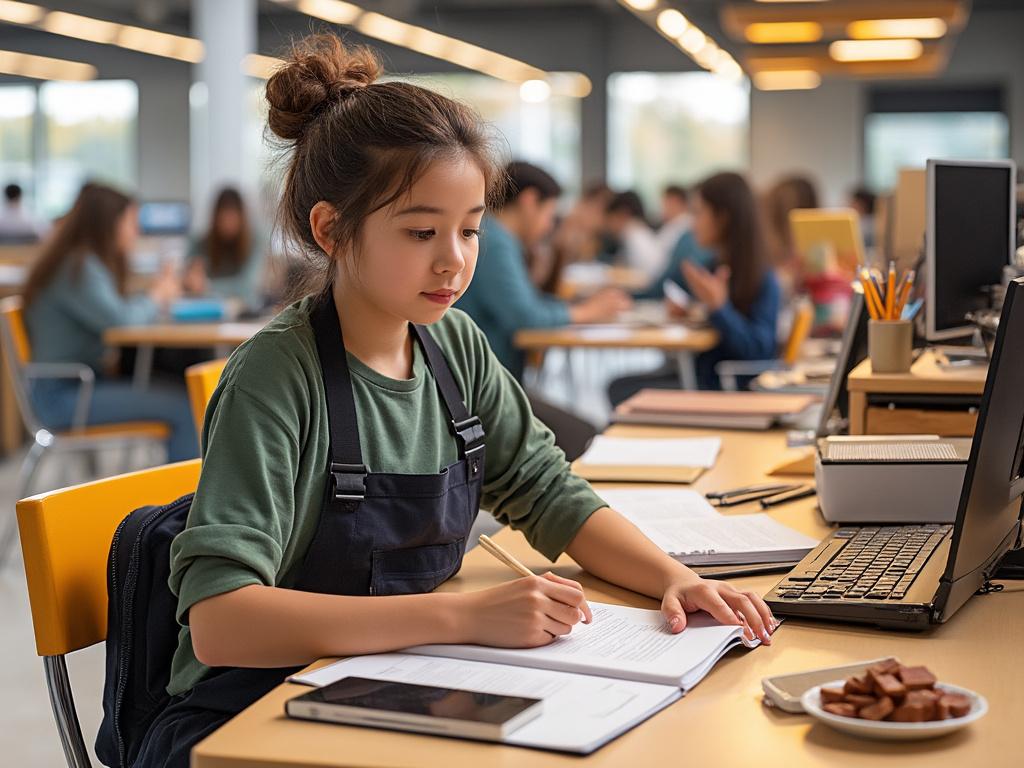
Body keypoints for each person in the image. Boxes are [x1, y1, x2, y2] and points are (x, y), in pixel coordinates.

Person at [132, 34, 776, 768]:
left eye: (471, 229)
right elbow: (220, 622)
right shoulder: (277, 377)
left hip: (396, 681)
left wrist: (677, 580)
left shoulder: (454, 347)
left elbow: (547, 491)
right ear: (330, 229)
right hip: (252, 713)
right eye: (420, 231)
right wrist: (460, 616)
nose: (454, 259)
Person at [22, 183, 198, 461]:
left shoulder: (78, 262)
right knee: (187, 405)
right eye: (131, 222)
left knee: (179, 388)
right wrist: (157, 296)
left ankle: (177, 496)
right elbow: (122, 322)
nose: (136, 231)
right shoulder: (78, 269)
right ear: (109, 223)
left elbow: (117, 312)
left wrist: (152, 297)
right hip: (64, 397)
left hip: (75, 385)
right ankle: (183, 504)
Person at [609, 172, 781, 400]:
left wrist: (719, 309)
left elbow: (759, 351)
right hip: (702, 377)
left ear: (723, 217)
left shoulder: (762, 276)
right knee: (619, 387)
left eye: (698, 213)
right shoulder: (715, 264)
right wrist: (694, 310)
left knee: (622, 391)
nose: (692, 223)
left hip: (723, 388)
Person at [457, 161, 631, 379]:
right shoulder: (496, 243)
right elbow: (526, 316)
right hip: (483, 383)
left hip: (489, 376)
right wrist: (585, 312)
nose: (549, 225)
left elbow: (529, 305)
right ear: (529, 201)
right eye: (549, 213)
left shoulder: (499, 238)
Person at [184, 186, 266, 312]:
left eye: (232, 218)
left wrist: (207, 286)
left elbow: (248, 286)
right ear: (215, 218)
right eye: (223, 218)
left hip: (245, 312)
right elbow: (186, 281)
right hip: (207, 311)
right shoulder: (200, 243)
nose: (228, 224)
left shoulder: (255, 241)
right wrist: (190, 280)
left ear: (242, 218)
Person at [604, 190, 663, 279]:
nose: (609, 226)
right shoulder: (639, 232)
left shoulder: (633, 235)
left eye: (610, 219)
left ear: (622, 214)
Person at [654, 183, 692, 258]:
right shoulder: (672, 224)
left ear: (674, 201)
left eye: (665, 202)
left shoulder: (684, 225)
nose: (662, 207)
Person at [848, 186, 876, 250]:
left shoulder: (867, 224)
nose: (850, 204)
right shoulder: (866, 221)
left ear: (863, 205)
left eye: (854, 202)